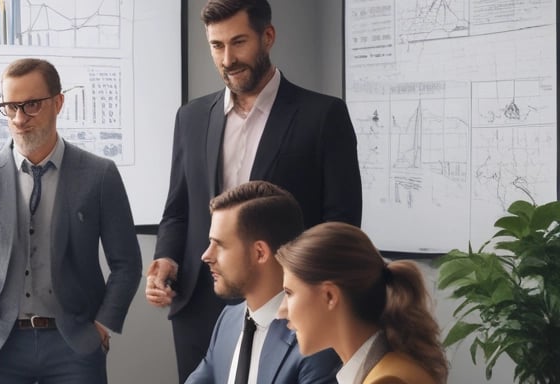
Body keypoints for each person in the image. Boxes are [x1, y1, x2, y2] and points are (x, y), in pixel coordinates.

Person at [145, 0, 362, 381]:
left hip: (287, 306)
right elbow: (178, 208)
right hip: (200, 303)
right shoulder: (191, 117)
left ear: (268, 37)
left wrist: (314, 294)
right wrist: (166, 258)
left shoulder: (323, 115)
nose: (227, 58)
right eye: (216, 45)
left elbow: (341, 223)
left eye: (239, 42)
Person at [0, 57, 142, 383]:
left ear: (58, 102)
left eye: (32, 105)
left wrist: (101, 326)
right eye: (10, 107)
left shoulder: (99, 175)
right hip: (0, 346)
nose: (20, 119)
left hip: (74, 344)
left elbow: (127, 263)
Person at [185, 181, 339, 384]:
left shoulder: (317, 340)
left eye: (219, 245)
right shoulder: (228, 319)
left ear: (260, 253)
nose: (206, 255)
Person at [276, 222, 448, 384]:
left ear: (329, 296)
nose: (281, 311)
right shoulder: (386, 369)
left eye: (289, 293)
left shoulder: (388, 380)